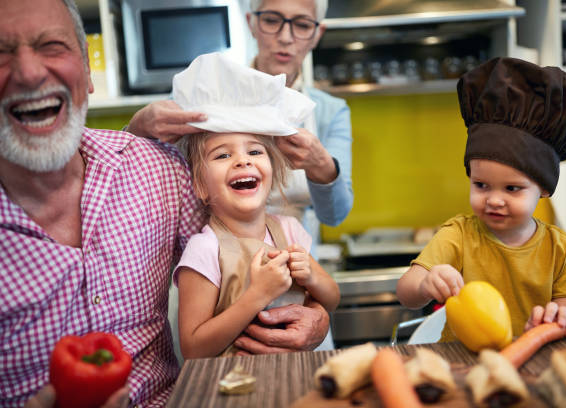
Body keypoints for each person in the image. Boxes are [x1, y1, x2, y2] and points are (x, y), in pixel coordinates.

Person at [0, 1, 326, 407]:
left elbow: (247, 239)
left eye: (52, 46)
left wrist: (317, 315)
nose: (29, 72)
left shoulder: (158, 173)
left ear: (87, 73)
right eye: (1, 52)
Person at [126, 0, 353, 250]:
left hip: (295, 261)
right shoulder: (207, 95)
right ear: (251, 23)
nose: (286, 37)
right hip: (216, 264)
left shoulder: (330, 112)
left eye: (301, 25)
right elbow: (129, 174)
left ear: (316, 34)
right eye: (271, 20)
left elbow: (335, 216)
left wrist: (322, 165)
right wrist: (138, 127)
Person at [396, 57, 566, 342]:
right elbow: (406, 293)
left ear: (545, 189)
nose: (494, 200)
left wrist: (560, 320)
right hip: (461, 364)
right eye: (481, 185)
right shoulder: (458, 235)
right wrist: (426, 283)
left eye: (512, 189)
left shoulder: (561, 250)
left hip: (535, 365)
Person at [171, 53, 340, 358]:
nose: (243, 160)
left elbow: (332, 298)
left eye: (255, 151)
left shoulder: (289, 230)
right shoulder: (204, 249)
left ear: (273, 171)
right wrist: (257, 295)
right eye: (222, 155)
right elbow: (193, 348)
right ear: (199, 185)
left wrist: (313, 277)